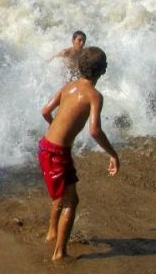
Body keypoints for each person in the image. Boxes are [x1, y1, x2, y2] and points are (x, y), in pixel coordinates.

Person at [38, 46, 120, 261]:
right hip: (58, 153)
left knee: (61, 194)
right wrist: (113, 154)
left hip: (45, 145)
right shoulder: (94, 95)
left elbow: (45, 111)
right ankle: (59, 253)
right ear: (103, 70)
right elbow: (94, 130)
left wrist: (55, 127)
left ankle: (52, 233)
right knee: (71, 202)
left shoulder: (68, 87)